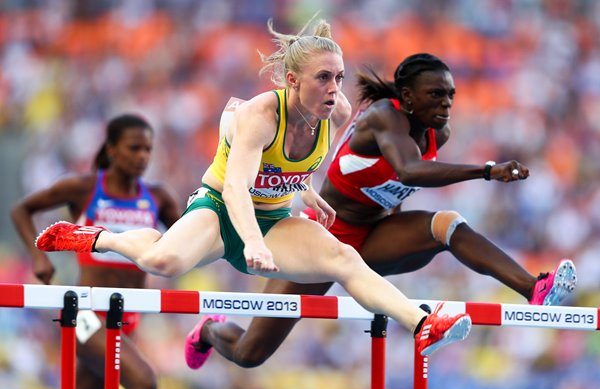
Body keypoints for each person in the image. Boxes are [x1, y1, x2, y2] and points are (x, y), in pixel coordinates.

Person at [33, 18, 472, 367]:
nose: (335, 89)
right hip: (221, 210)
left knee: (343, 258)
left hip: (273, 218)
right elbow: (239, 189)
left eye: (338, 77)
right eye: (323, 77)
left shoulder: (335, 112)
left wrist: (304, 188)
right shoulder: (262, 114)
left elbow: (297, 164)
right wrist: (253, 242)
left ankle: (422, 324)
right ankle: (98, 237)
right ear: (291, 80)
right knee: (163, 260)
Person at [174, 53, 578, 370]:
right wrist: (487, 171)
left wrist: (395, 223)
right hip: (323, 241)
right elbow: (408, 169)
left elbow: (399, 186)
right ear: (406, 98)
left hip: (372, 237)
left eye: (450, 95)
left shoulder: (441, 132)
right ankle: (210, 332)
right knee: (250, 353)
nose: (446, 104)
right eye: (436, 94)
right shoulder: (383, 116)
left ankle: (534, 289)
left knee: (447, 225)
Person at [12, 114, 181, 389]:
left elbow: (185, 240)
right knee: (144, 384)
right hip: (86, 313)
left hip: (128, 316)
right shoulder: (85, 188)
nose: (143, 156)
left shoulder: (158, 197)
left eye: (148, 149)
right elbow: (22, 210)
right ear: (112, 149)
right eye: (134, 148)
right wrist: (38, 257)